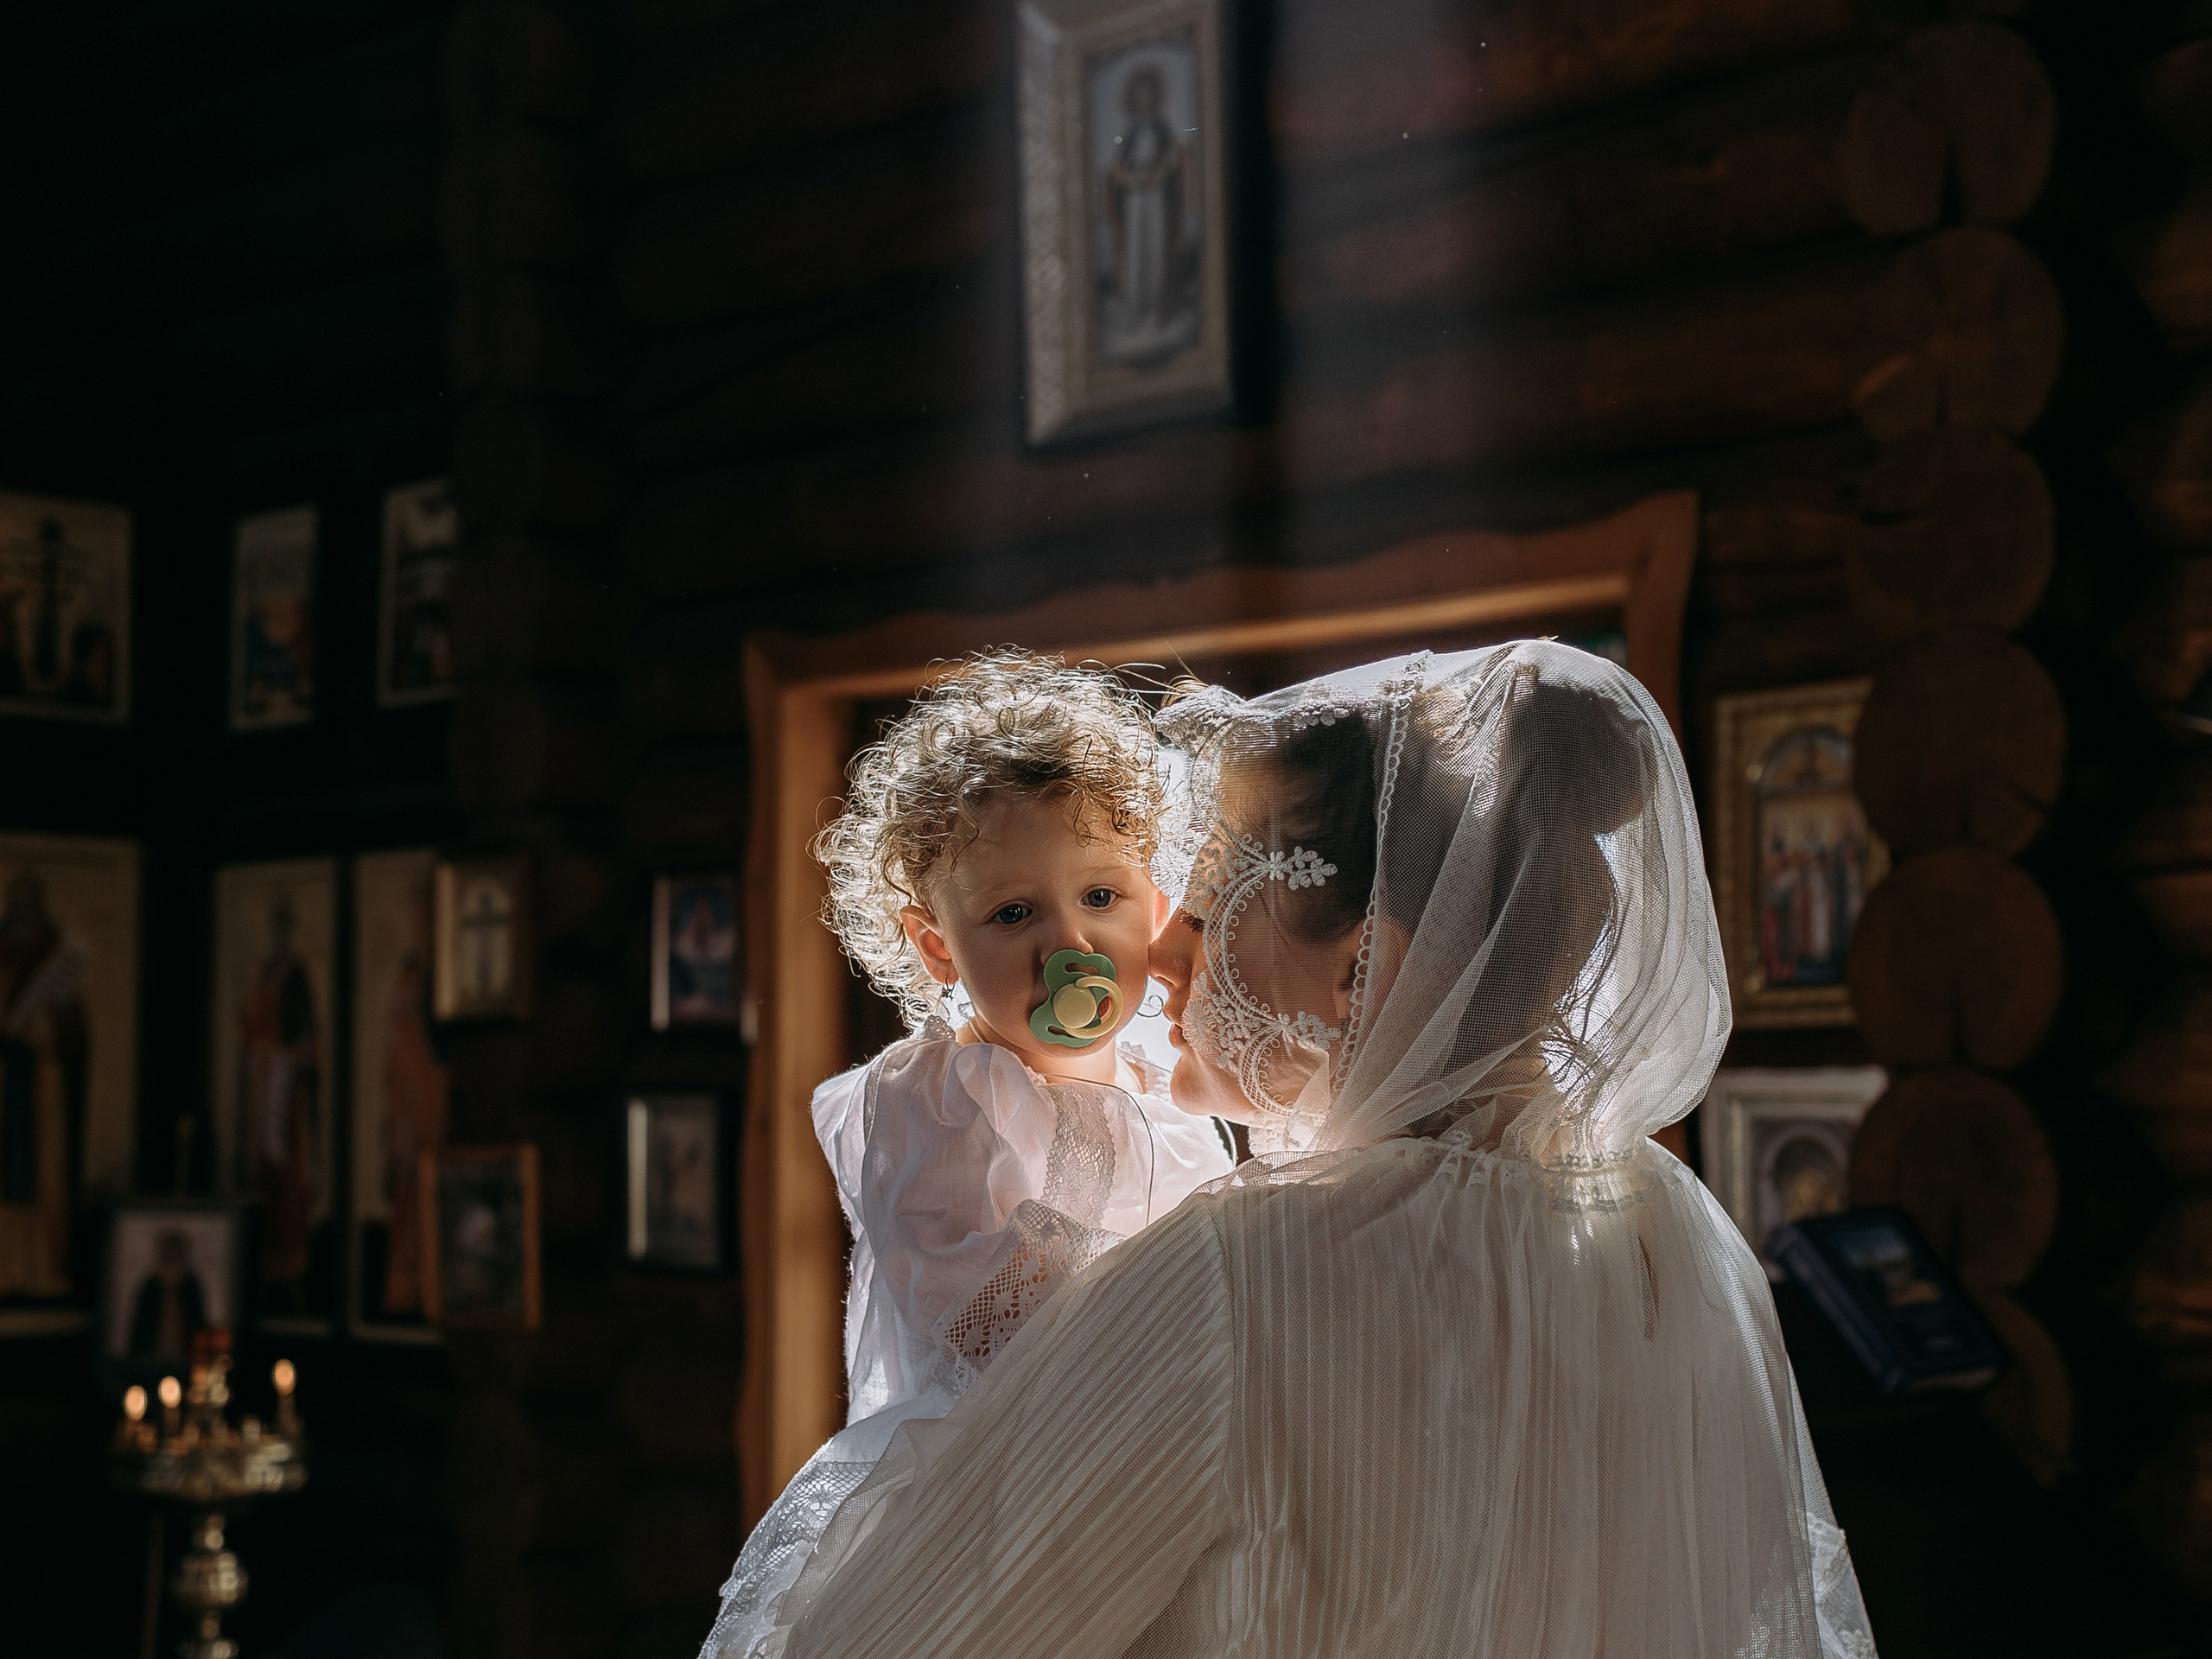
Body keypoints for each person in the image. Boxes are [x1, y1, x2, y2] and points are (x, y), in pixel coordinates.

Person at [749, 642, 1877, 1659]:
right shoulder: (1672, 1236)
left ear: (1365, 970)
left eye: (1206, 898)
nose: (1163, 951)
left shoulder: (1236, 1273)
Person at [700, 652, 1235, 1657]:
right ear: (937, 944)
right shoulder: (932, 1099)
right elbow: (982, 1323)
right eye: (1012, 914)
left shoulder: (1175, 1081)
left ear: (1155, 899)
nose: (1066, 944)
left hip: (1159, 1459)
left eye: (1102, 897)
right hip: (996, 1477)